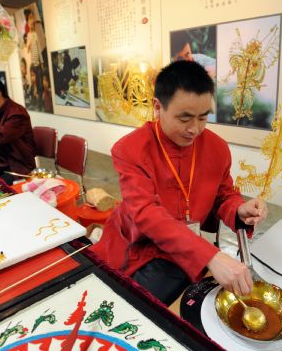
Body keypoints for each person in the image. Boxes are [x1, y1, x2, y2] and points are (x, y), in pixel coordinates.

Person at [91, 61, 268, 305]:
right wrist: (212, 256)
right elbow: (147, 214)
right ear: (157, 107)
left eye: (203, 117)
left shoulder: (217, 148)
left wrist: (238, 209)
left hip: (185, 249)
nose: (194, 129)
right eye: (184, 118)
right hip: (137, 247)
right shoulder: (130, 149)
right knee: (129, 307)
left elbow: (223, 195)